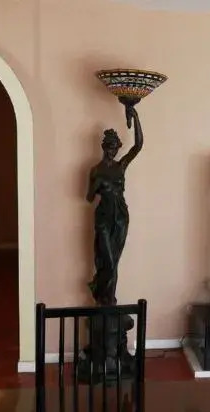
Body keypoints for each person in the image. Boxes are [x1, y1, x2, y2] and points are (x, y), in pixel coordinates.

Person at [86, 105, 143, 305]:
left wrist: (136, 117)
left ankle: (109, 300)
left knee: (115, 262)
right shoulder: (95, 170)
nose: (112, 151)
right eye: (109, 147)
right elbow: (88, 198)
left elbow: (138, 146)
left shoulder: (121, 166)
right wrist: (97, 185)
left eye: (115, 148)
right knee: (108, 261)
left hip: (120, 216)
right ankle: (98, 289)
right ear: (104, 147)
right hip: (103, 217)